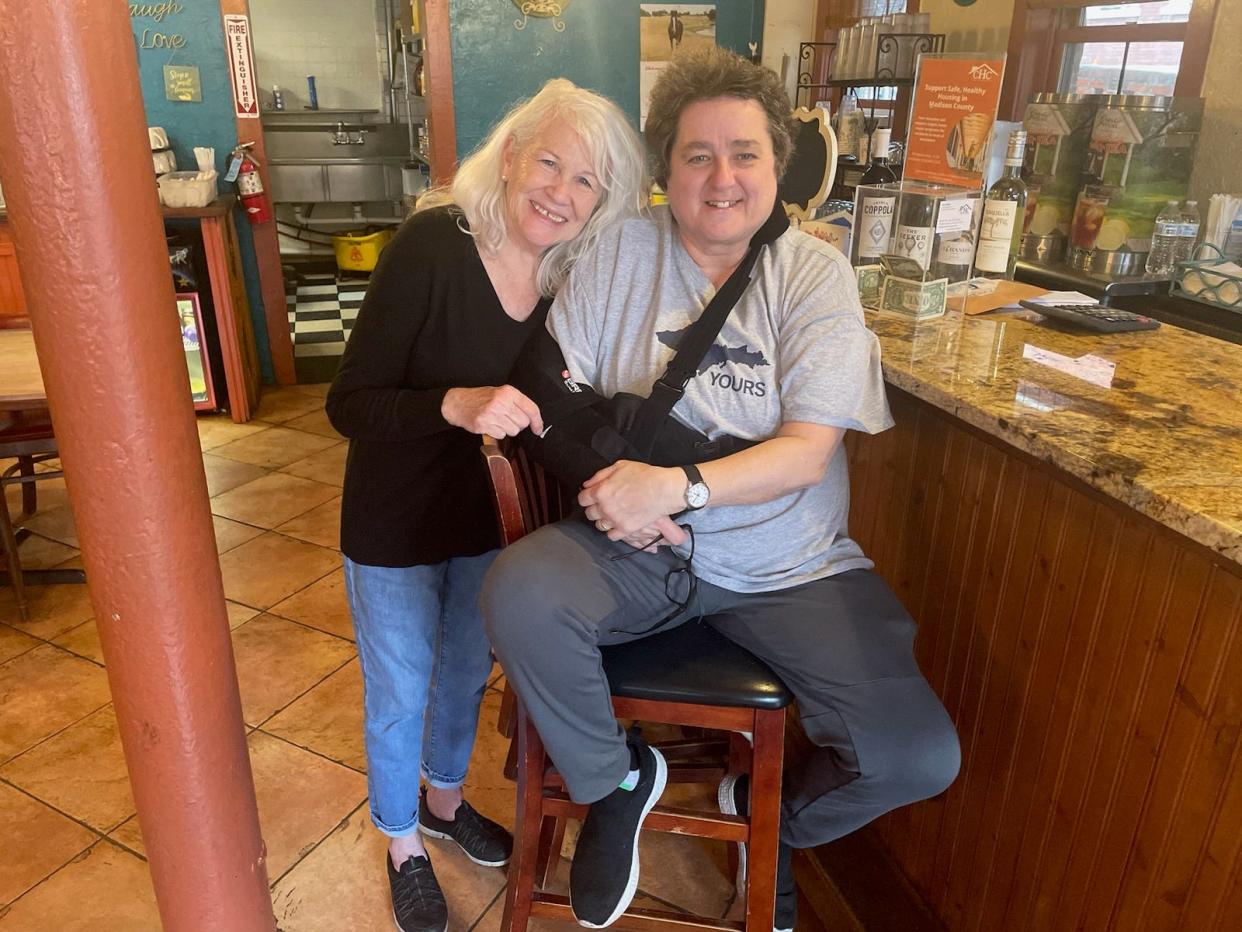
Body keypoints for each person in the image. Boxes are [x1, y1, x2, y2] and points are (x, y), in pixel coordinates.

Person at [482, 48, 960, 931]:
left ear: (779, 167)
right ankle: (618, 779)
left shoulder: (815, 275)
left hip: (791, 564)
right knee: (517, 590)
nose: (723, 177)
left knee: (915, 755)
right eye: (697, 154)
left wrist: (675, 488)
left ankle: (762, 818)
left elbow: (807, 454)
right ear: (666, 170)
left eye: (745, 153)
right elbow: (543, 386)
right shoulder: (622, 249)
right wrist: (618, 491)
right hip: (638, 552)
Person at [325, 78, 645, 932]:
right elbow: (348, 403)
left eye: (586, 182)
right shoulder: (435, 245)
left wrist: (623, 486)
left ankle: (442, 800)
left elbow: (550, 422)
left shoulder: (567, 281)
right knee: (400, 688)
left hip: (486, 525)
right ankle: (401, 842)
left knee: (465, 676)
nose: (560, 192)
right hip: (391, 521)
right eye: (549, 162)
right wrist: (452, 404)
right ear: (508, 158)